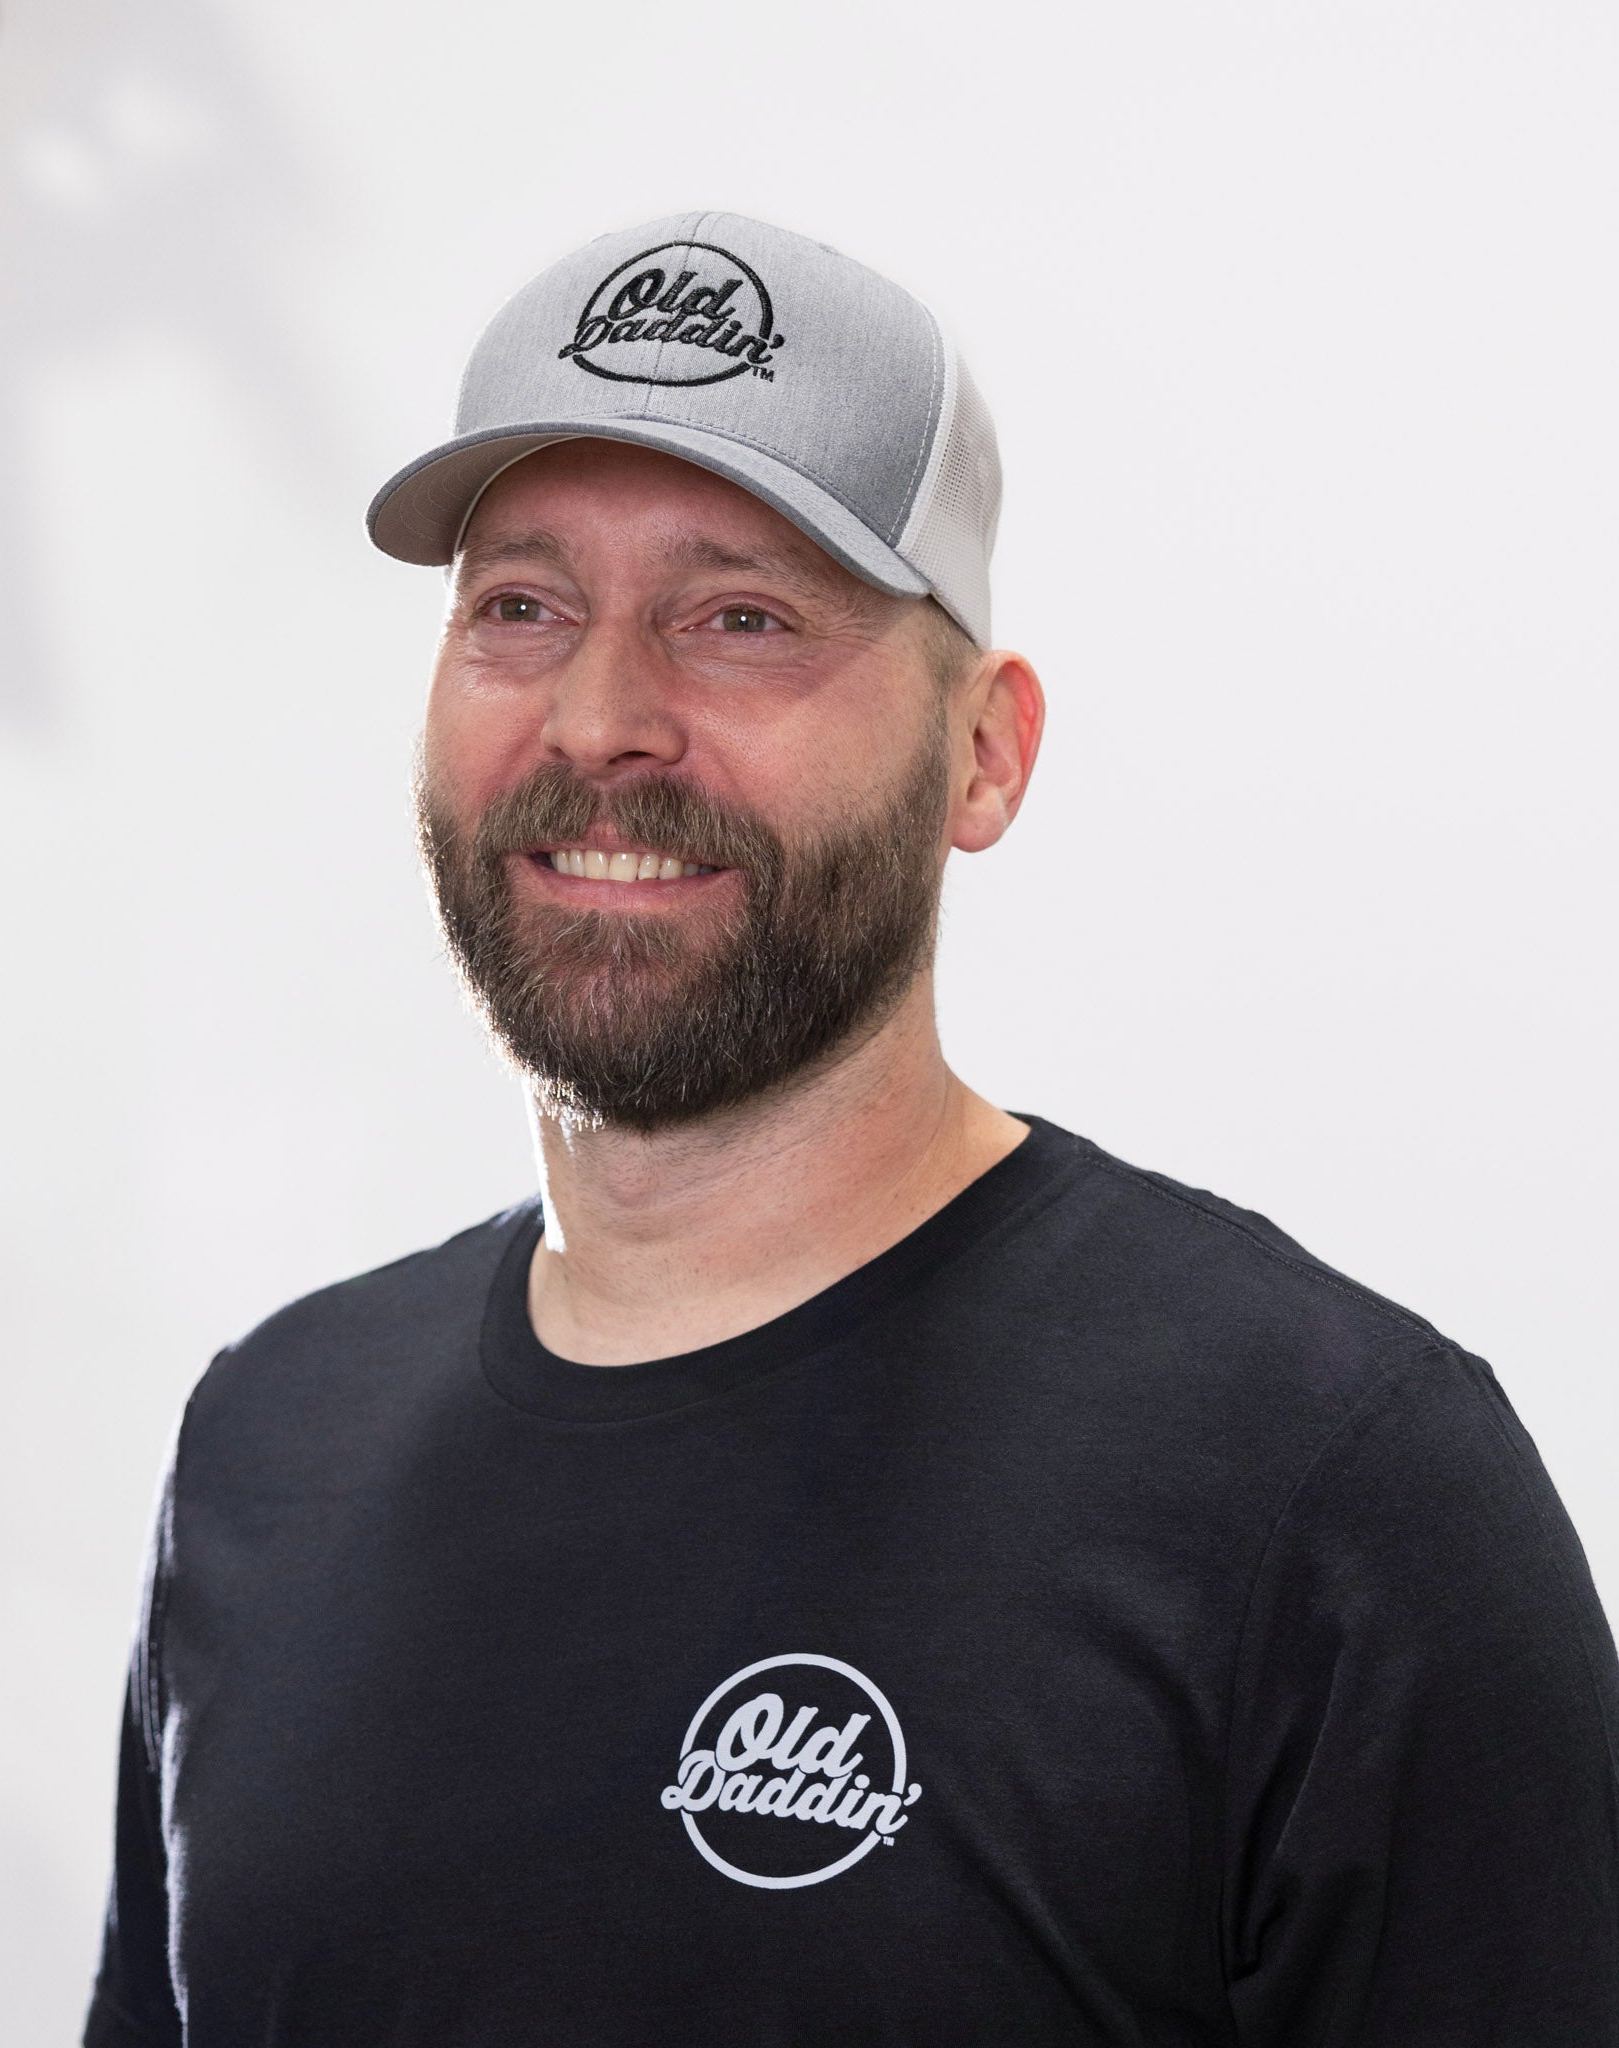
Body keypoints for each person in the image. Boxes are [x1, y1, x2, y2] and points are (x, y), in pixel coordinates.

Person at [84, 213, 1619, 2046]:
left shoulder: (1328, 1496)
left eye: (741, 618)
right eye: (520, 607)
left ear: (985, 752)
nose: (600, 718)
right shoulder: (270, 1445)